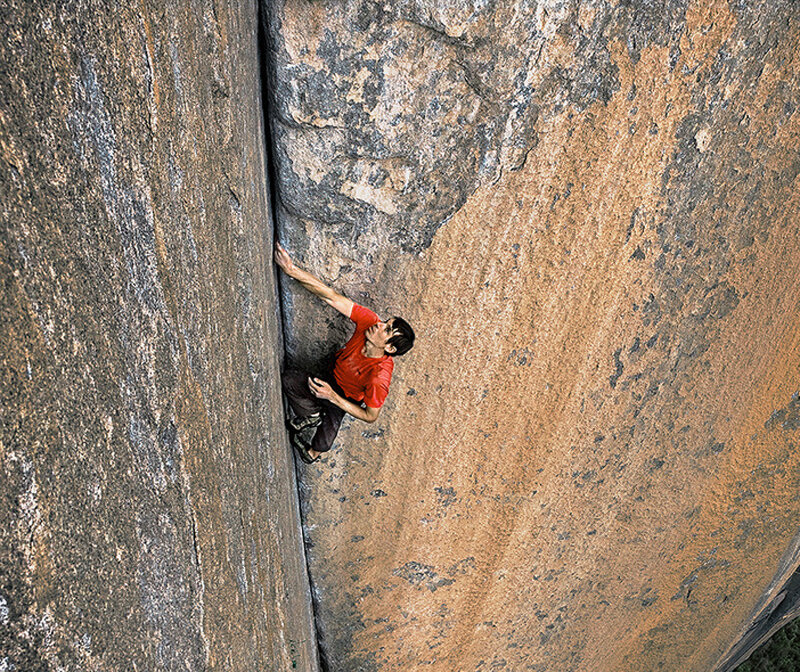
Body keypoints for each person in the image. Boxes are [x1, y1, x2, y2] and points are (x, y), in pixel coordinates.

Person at [274, 243, 415, 464]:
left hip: (345, 396)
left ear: (390, 348)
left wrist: (333, 397)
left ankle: (312, 452)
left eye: (386, 329)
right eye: (386, 322)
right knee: (289, 380)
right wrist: (291, 269)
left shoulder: (379, 378)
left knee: (323, 443)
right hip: (332, 372)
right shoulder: (369, 321)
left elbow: (371, 416)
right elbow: (330, 296)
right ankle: (312, 416)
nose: (379, 324)